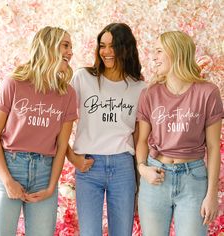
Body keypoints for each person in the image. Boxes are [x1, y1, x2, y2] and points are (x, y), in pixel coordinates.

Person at [0, 26, 78, 236]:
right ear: (48, 47)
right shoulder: (14, 83)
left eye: (71, 47)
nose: (70, 52)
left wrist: (50, 187)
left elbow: (62, 145)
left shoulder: (68, 94)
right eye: (65, 45)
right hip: (9, 167)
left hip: (45, 174)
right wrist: (7, 180)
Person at [136, 30, 224, 236]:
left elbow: (213, 147)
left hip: (193, 180)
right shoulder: (149, 93)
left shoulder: (208, 93)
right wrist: (142, 169)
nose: (154, 57)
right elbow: (141, 140)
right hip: (155, 177)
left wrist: (212, 195)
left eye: (159, 51)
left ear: (175, 53)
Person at [66, 22, 145, 236]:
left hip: (123, 166)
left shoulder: (140, 87)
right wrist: (72, 158)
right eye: (102, 45)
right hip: (88, 166)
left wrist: (140, 174)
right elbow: (61, 119)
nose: (106, 52)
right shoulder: (83, 78)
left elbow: (139, 136)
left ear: (126, 48)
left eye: (113, 46)